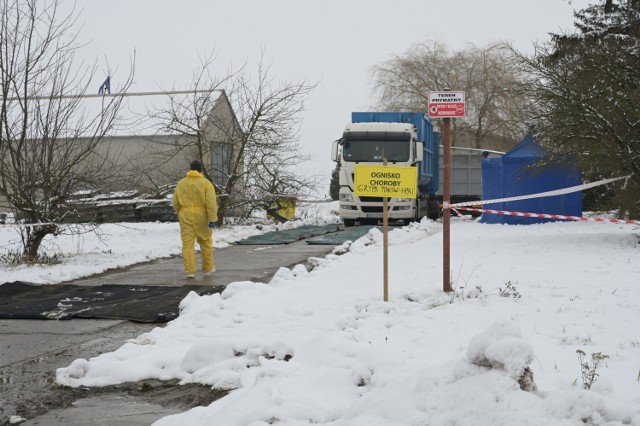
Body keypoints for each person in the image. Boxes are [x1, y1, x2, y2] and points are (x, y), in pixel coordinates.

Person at [172, 160, 218, 279]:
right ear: (201, 170)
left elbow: (175, 202)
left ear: (190, 169)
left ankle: (190, 271)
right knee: (205, 242)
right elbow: (211, 203)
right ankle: (207, 268)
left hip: (185, 214)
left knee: (187, 244)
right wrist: (212, 218)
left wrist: (181, 212)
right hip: (201, 215)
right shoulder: (206, 183)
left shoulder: (181, 183)